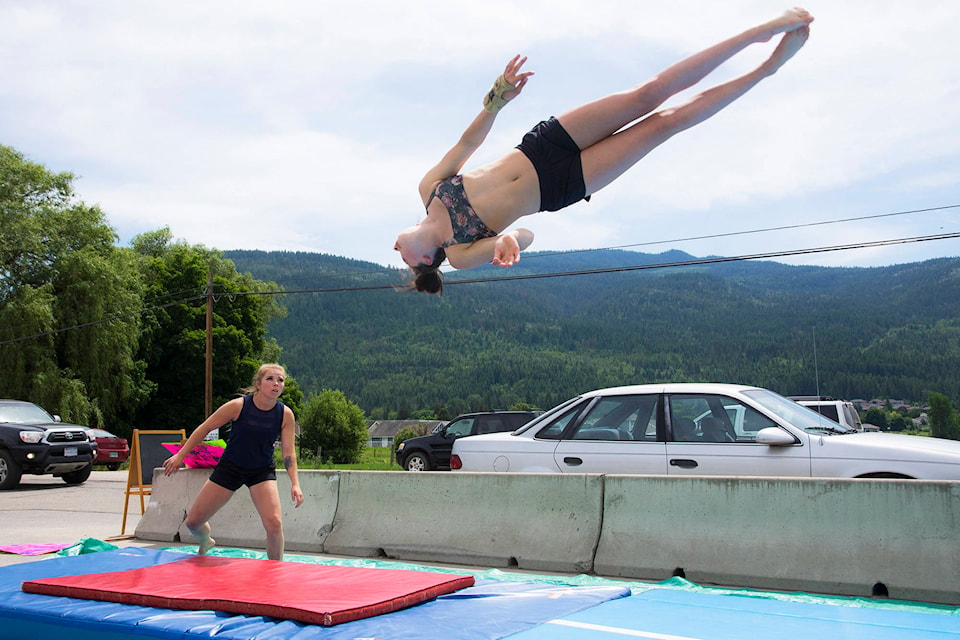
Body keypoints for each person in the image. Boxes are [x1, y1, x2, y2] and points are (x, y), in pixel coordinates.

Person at [395, 8, 814, 294]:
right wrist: (507, 238)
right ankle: (768, 68)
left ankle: (760, 31)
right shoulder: (460, 254)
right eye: (408, 261)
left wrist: (496, 99)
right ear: (428, 260)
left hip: (543, 145)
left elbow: (469, 143)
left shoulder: (429, 188)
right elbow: (526, 234)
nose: (397, 250)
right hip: (563, 185)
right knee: (666, 123)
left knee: (646, 94)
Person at [162, 363, 304, 561]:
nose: (276, 384)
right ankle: (206, 541)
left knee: (274, 524)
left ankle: (275, 570)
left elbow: (289, 453)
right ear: (258, 383)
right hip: (230, 468)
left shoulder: (285, 414)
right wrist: (181, 456)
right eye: (270, 379)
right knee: (193, 523)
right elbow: (204, 428)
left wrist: (295, 483)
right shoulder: (239, 406)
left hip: (261, 471)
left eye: (280, 380)